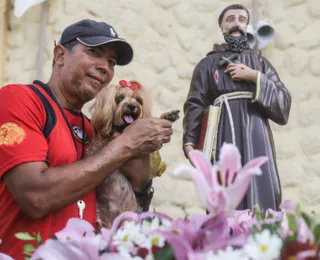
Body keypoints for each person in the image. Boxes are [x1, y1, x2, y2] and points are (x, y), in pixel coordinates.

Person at [0, 19, 173, 259]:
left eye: (111, 62)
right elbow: (35, 197)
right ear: (60, 55)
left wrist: (144, 163)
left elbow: (134, 201)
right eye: (94, 53)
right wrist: (126, 144)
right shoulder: (19, 100)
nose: (105, 67)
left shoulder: (95, 131)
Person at [183, 4, 291, 212]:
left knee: (261, 187)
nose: (236, 24)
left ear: (247, 26)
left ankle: (262, 231)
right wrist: (190, 143)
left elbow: (283, 101)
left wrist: (254, 76)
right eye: (230, 19)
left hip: (256, 135)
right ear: (222, 28)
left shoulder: (260, 63)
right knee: (225, 188)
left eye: (242, 20)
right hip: (223, 133)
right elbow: (195, 103)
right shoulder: (207, 65)